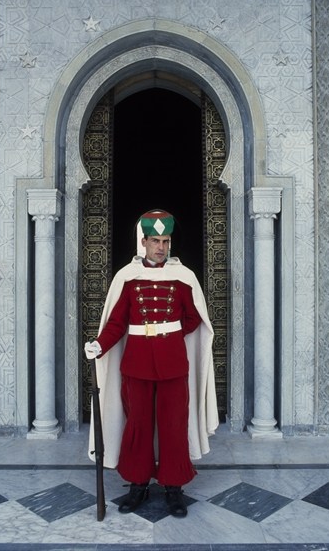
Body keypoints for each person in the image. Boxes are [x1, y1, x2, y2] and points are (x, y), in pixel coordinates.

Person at [85, 209, 218, 518]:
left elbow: (194, 317)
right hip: (137, 365)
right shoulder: (127, 279)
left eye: (166, 241)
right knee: (138, 426)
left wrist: (167, 335)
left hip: (173, 363)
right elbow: (116, 324)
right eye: (155, 241)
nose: (161, 247)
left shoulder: (183, 278)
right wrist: (98, 345)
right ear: (142, 242)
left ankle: (174, 488)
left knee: (173, 426)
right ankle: (138, 484)